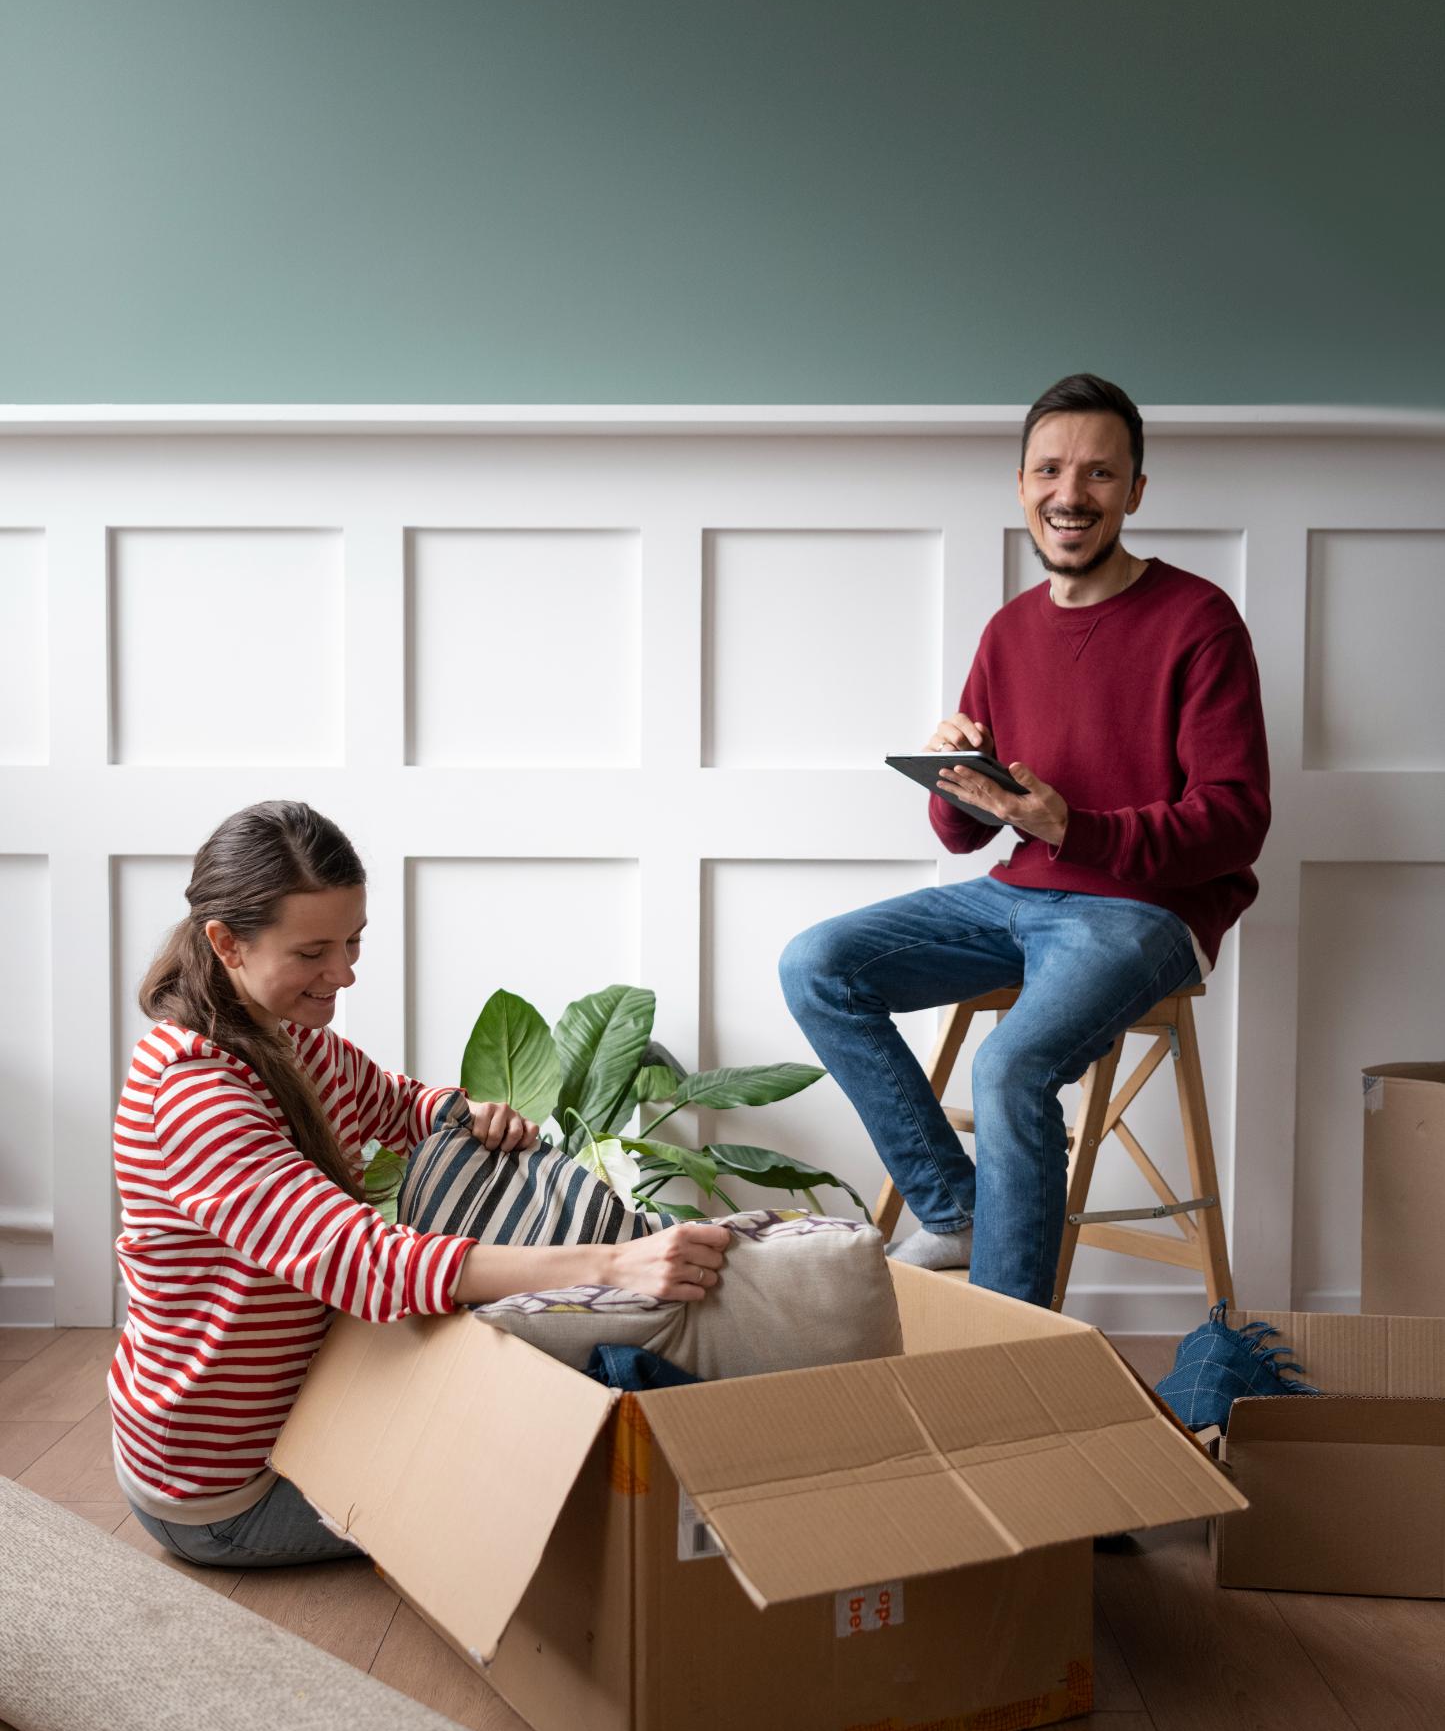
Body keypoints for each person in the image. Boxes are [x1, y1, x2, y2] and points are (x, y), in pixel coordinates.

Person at [110, 800, 728, 1567]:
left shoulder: (286, 1036)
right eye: (313, 952)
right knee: (581, 1483)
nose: (344, 973)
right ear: (226, 943)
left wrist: (464, 1113)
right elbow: (370, 1263)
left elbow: (395, 1102)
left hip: (309, 1406)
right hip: (231, 1488)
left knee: (560, 1419)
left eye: (353, 941)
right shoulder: (193, 1098)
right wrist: (610, 1266)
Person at [780, 372, 1270, 1309]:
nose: (1068, 493)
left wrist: (1075, 828)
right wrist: (955, 775)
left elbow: (1236, 819)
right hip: (1015, 894)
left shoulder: (1198, 619)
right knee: (816, 965)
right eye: (1048, 470)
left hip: (1144, 913)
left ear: (1134, 491)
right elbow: (960, 835)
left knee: (1009, 1065)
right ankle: (956, 1209)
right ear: (1019, 486)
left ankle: (1008, 1345)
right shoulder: (1008, 630)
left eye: (1097, 472)